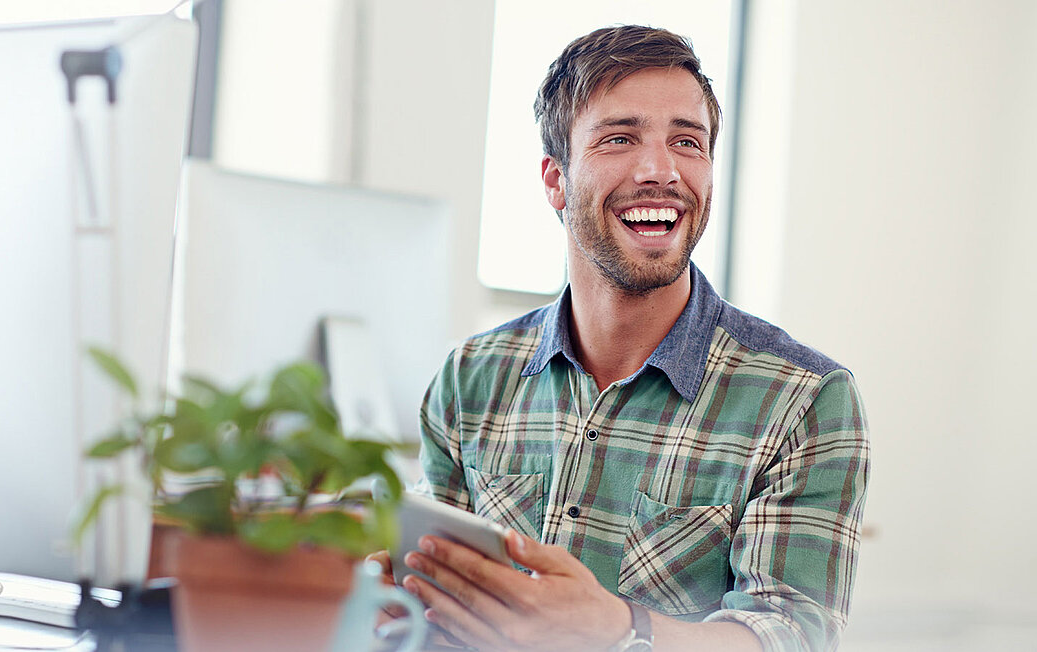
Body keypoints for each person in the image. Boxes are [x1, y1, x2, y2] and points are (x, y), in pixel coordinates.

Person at [372, 24, 869, 652]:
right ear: (555, 179)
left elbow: (791, 637)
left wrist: (616, 629)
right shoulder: (472, 375)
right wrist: (398, 597)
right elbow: (430, 596)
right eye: (619, 138)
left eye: (687, 142)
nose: (661, 170)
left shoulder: (806, 400)